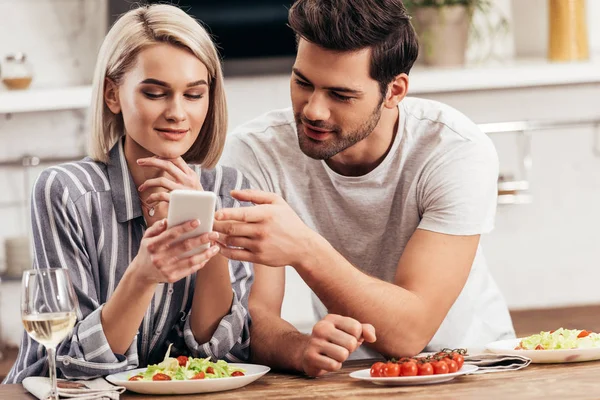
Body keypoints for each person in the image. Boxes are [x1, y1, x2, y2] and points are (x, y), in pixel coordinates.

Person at [216, 0, 515, 377]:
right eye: (302, 83)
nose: (313, 110)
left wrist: (304, 248)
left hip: (474, 365)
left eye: (341, 95)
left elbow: (411, 332)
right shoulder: (256, 152)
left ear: (394, 91)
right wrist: (299, 347)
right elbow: (250, 314)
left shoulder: (454, 149)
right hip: (350, 374)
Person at [4, 4, 253, 383]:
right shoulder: (67, 192)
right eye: (156, 93)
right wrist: (142, 275)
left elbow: (219, 352)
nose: (177, 113)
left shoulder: (229, 188)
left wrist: (208, 226)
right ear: (112, 95)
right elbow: (73, 362)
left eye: (193, 94)